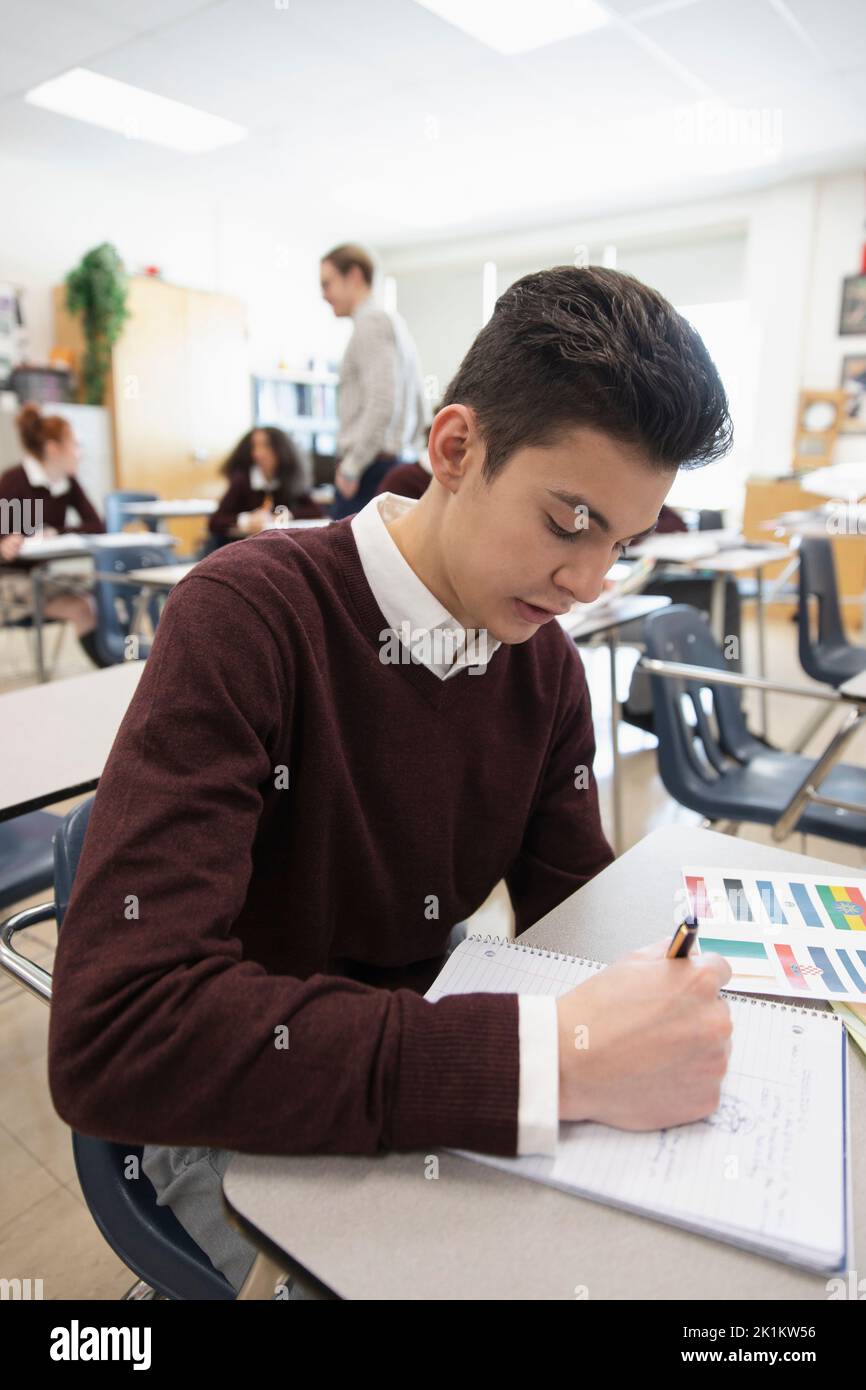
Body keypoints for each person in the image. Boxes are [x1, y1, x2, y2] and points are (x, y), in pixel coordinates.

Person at [48, 266, 734, 1295]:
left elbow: (571, 927)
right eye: (567, 520)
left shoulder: (537, 666)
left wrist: (656, 997)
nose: (587, 581)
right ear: (454, 448)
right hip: (231, 1111)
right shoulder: (245, 618)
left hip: (422, 1067)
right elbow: (121, 1033)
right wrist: (546, 1060)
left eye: (620, 545)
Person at [320, 243, 427, 520]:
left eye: (327, 283)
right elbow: (418, 402)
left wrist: (352, 466)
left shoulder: (371, 323)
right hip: (387, 464)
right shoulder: (393, 323)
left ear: (353, 276)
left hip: (369, 472)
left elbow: (382, 401)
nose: (324, 295)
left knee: (344, 560)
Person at [0, 402, 107, 667]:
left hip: (41, 577)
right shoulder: (14, 481)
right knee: (82, 607)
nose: (79, 453)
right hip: (10, 580)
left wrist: (55, 532)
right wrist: (4, 542)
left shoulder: (67, 483)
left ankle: (117, 663)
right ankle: (110, 668)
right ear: (53, 448)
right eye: (75, 445)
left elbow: (96, 525)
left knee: (102, 592)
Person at [208, 426, 322, 545]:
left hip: (276, 546)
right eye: (254, 447)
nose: (258, 453)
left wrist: (286, 514)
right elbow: (216, 521)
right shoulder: (242, 480)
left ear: (281, 449)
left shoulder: (288, 479)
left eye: (266, 446)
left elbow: (316, 511)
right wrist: (246, 520)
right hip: (241, 546)